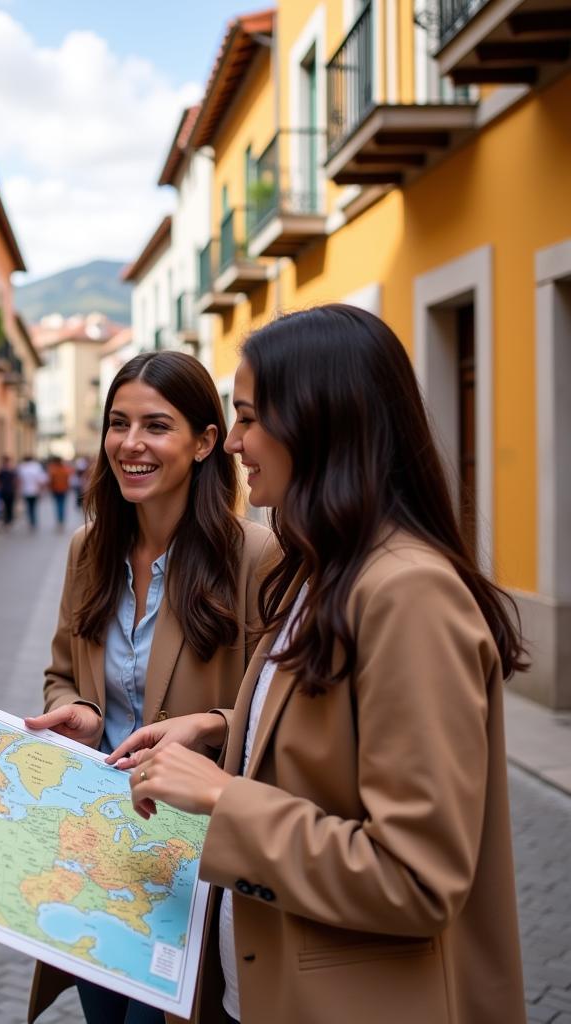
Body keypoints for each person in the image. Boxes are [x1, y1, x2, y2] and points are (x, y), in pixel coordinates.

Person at [108, 305, 528, 1024]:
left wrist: (220, 797)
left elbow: (416, 876)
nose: (233, 441)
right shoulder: (322, 571)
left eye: (247, 417)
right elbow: (342, 729)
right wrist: (216, 731)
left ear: (318, 421)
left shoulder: (408, 592)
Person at [24, 350, 278, 1024]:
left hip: (196, 864)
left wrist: (210, 725)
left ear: (203, 443)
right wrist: (74, 708)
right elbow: (60, 672)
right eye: (118, 423)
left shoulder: (253, 555)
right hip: (99, 852)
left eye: (156, 426)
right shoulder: (89, 549)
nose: (131, 445)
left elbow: (275, 711)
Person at [16, 455, 49, 529]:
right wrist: (41, 490)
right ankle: (33, 521)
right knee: (34, 506)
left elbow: (19, 480)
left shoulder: (22, 467)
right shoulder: (36, 467)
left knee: (28, 506)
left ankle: (30, 521)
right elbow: (41, 480)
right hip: (35, 490)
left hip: (26, 490)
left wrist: (19, 490)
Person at [46, 455, 72, 528]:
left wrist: (50, 488)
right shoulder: (65, 468)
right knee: (62, 504)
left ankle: (59, 520)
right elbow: (68, 478)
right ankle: (61, 520)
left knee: (58, 505)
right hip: (64, 489)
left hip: (56, 489)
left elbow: (50, 480)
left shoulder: (52, 469)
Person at [0, 455, 18, 526]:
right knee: (5, 505)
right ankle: (7, 519)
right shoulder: (4, 471)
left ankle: (9, 519)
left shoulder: (10, 470)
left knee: (9, 505)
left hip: (9, 490)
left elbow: (15, 481)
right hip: (5, 490)